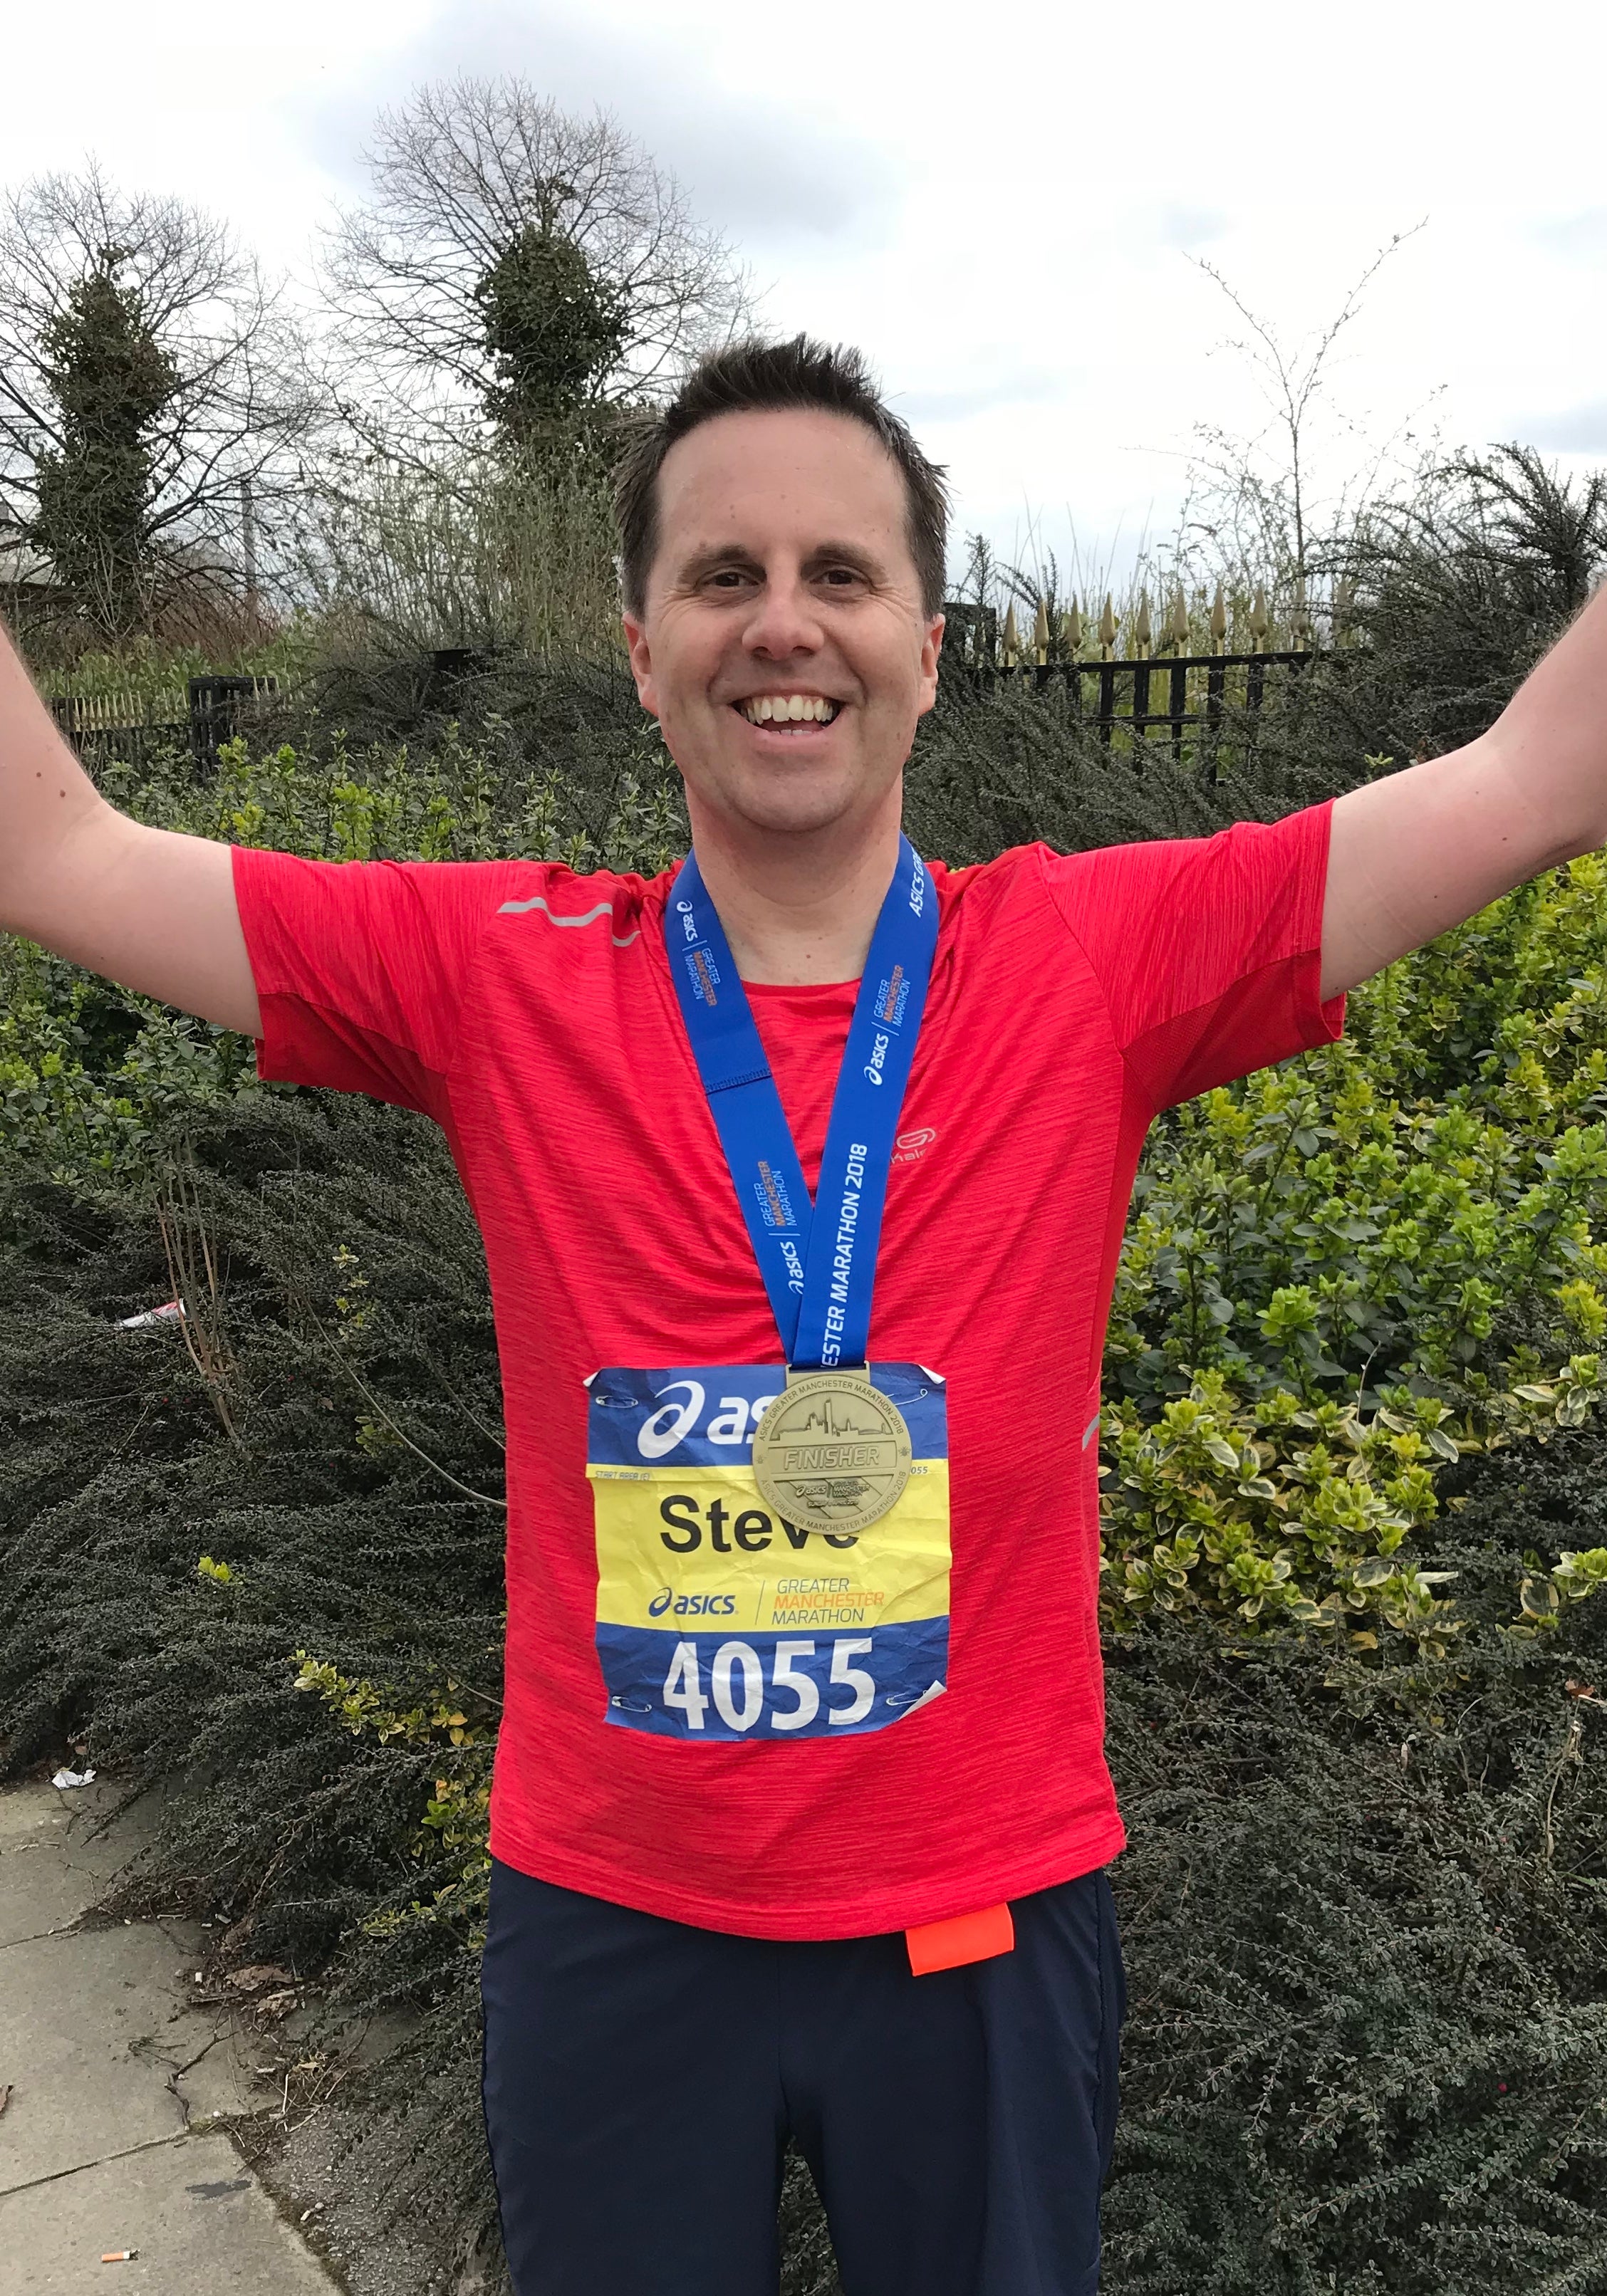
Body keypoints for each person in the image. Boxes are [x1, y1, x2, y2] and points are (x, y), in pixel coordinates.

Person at [1, 334, 1602, 2296]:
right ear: (641, 644)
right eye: (723, 576)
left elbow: (1538, 779)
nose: (786, 626)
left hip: (982, 1919)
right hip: (614, 1926)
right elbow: (51, 851)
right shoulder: (492, 974)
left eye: (842, 575)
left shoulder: (1090, 962)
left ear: (931, 646)